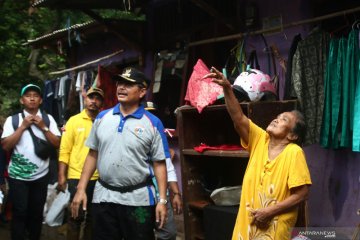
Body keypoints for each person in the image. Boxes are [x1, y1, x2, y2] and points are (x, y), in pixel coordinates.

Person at [204, 67, 312, 240]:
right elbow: (238, 118)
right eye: (278, 116)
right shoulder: (260, 140)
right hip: (246, 228)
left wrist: (270, 211)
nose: (276, 119)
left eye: (284, 119)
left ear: (292, 135)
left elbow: (302, 194)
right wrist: (227, 88)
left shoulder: (294, 152)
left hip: (273, 230)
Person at [71, 67, 168, 240]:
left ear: (142, 91)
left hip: (139, 200)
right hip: (104, 197)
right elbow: (93, 154)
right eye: (120, 83)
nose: (121, 87)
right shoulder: (102, 118)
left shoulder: (153, 123)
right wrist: (81, 189)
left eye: (128, 84)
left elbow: (159, 163)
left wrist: (162, 200)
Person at [1, 83, 61, 240]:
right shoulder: (12, 120)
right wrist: (22, 127)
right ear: (22, 100)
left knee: (36, 214)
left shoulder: (48, 119)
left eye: (35, 96)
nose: (32, 99)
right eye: (28, 96)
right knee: (20, 212)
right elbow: (6, 146)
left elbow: (57, 144)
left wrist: (43, 127)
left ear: (41, 100)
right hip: (17, 177)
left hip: (41, 175)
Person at [57, 87, 104, 240]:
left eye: (97, 98)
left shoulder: (104, 121)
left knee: (94, 218)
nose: (94, 101)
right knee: (75, 215)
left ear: (101, 102)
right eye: (91, 97)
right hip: (76, 175)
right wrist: (62, 176)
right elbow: (64, 150)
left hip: (99, 177)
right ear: (85, 99)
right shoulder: (73, 121)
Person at [144, 102, 183, 240]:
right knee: (141, 232)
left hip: (161, 197)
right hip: (140, 197)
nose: (150, 118)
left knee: (168, 232)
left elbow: (168, 167)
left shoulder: (159, 137)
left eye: (153, 114)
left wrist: (176, 194)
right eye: (147, 113)